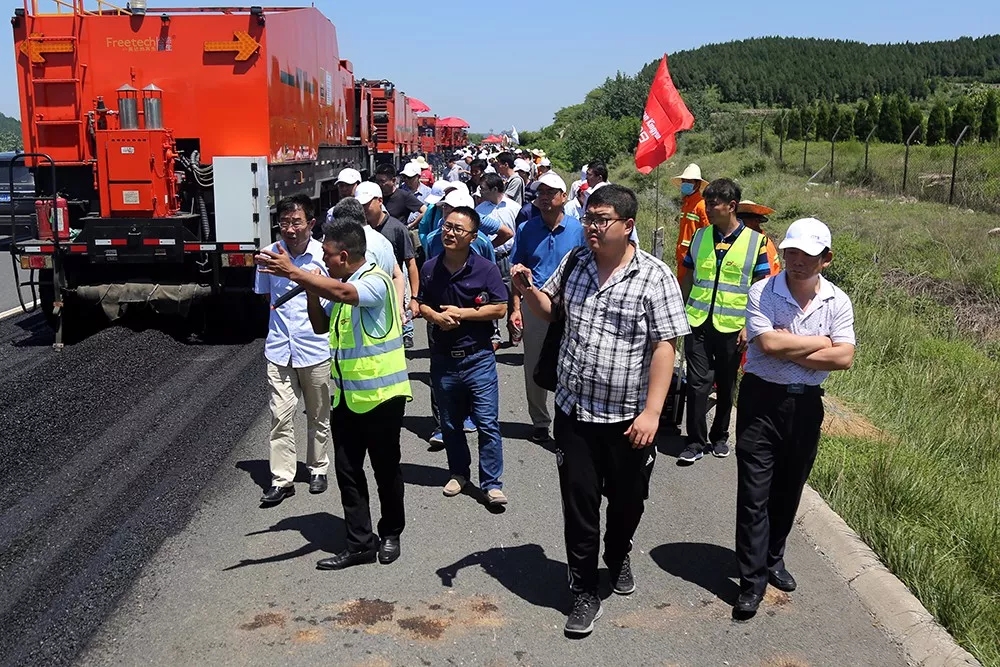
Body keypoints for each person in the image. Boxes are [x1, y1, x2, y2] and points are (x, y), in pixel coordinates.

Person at [511, 184, 689, 636]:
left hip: (630, 418)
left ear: (627, 226)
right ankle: (585, 590)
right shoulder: (576, 262)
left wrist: (652, 413)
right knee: (579, 507)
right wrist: (526, 290)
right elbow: (551, 310)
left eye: (601, 219)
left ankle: (618, 551)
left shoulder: (655, 277)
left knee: (629, 502)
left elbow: (665, 346)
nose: (591, 227)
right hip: (575, 412)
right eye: (589, 218)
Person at [255, 219, 412, 570]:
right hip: (347, 399)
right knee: (348, 472)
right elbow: (320, 325)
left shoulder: (375, 281)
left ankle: (390, 532)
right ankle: (359, 543)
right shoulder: (339, 284)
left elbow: (344, 295)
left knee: (385, 470)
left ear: (343, 256)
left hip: (382, 398)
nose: (323, 260)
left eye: (327, 254)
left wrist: (295, 272)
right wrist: (311, 291)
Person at [733, 217, 855, 616]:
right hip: (761, 401)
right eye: (791, 253)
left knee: (789, 489)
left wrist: (791, 346)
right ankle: (751, 581)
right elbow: (767, 345)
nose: (797, 261)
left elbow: (844, 357)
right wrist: (820, 342)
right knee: (754, 493)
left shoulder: (837, 301)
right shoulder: (762, 291)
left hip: (805, 406)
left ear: (826, 259)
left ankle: (773, 558)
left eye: (807, 255)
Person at [418, 206, 509, 505]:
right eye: (447, 226)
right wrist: (435, 317)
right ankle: (459, 473)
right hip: (444, 358)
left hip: (478, 357)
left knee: (487, 422)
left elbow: (500, 308)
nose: (450, 233)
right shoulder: (430, 267)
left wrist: (462, 314)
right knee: (450, 423)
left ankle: (491, 483)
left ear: (473, 236)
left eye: (458, 229)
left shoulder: (486, 269)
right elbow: (422, 304)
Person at [679, 178, 771, 464]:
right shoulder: (700, 237)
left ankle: (719, 436)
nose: (707, 209)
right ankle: (695, 441)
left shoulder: (756, 242)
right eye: (707, 203)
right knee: (697, 383)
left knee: (726, 383)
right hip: (697, 321)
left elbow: (761, 288)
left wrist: (749, 325)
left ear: (731, 206)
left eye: (713, 204)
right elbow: (689, 277)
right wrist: (677, 311)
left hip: (733, 327)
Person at [254, 194, 331, 505]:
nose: (290, 229)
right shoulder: (268, 255)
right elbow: (265, 296)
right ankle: (282, 479)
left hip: (315, 347)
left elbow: (334, 296)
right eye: (284, 223)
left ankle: (318, 468)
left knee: (318, 413)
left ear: (310, 224)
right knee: (280, 416)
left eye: (296, 222)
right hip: (279, 349)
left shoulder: (324, 256)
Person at [508, 172, 585, 444]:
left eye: (551, 192)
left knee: (573, 363)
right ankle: (540, 421)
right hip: (534, 302)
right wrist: (515, 308)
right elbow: (516, 271)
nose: (544, 197)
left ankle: (571, 420)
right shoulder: (525, 229)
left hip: (570, 305)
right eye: (540, 192)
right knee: (534, 364)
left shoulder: (578, 230)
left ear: (563, 197)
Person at [356, 181, 420, 349]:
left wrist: (414, 297)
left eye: (366, 204)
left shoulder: (397, 228)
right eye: (359, 205)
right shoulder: (356, 231)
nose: (363, 209)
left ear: (380, 201)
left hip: (393, 289)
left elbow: (410, 263)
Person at [327, 196, 408, 329]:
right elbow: (398, 275)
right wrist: (398, 308)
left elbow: (352, 291)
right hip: (384, 316)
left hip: (366, 321)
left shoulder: (361, 248)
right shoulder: (381, 239)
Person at [671, 163, 711, 279]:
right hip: (682, 256)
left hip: (693, 258)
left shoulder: (701, 206)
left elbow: (708, 232)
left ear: (697, 184)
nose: (685, 183)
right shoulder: (686, 204)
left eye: (689, 181)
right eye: (684, 181)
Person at [737, 200, 781, 276]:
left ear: (756, 221)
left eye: (742, 221)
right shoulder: (740, 241)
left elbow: (767, 276)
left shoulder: (763, 243)